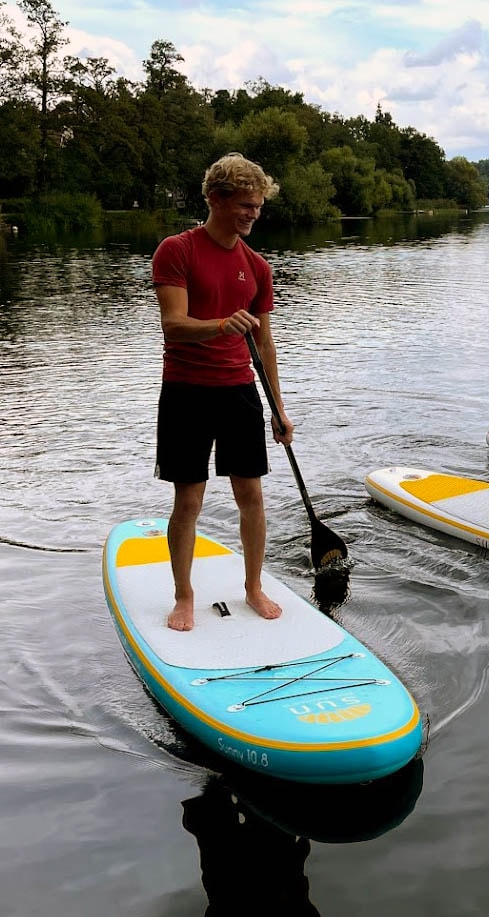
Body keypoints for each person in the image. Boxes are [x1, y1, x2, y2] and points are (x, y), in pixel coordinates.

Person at [152, 152, 294, 632]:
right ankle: (184, 595)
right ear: (216, 198)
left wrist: (278, 409)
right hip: (187, 391)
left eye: (258, 206)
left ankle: (253, 587)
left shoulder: (256, 266)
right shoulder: (178, 250)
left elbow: (265, 343)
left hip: (239, 392)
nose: (253, 214)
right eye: (245, 205)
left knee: (250, 493)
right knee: (188, 500)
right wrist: (219, 325)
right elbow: (173, 326)